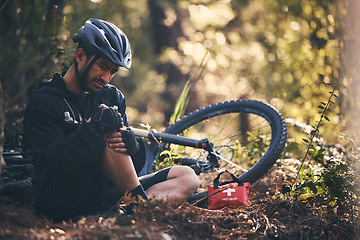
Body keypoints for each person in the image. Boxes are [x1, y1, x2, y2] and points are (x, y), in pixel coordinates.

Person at [23, 18, 200, 221]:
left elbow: (128, 165)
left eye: (113, 72)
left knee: (187, 177)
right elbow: (47, 163)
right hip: (60, 198)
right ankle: (141, 211)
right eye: (102, 66)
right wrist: (93, 130)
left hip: (107, 192)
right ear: (80, 56)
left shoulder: (112, 97)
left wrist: (132, 145)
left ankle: (130, 215)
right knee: (108, 135)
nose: (106, 77)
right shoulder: (45, 101)